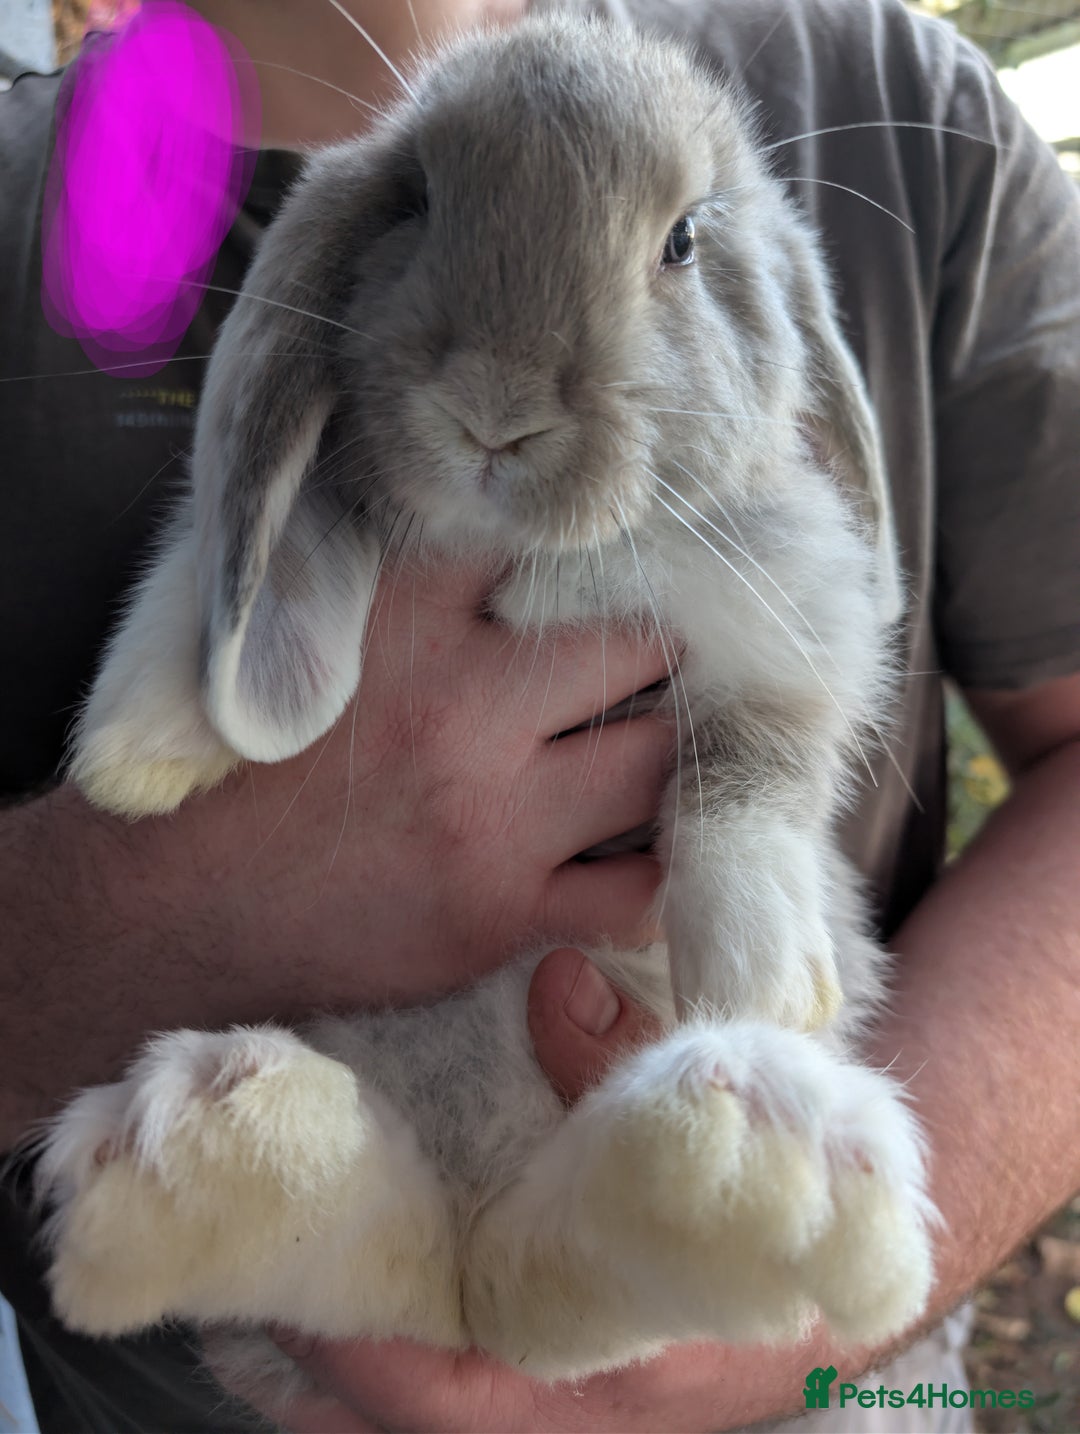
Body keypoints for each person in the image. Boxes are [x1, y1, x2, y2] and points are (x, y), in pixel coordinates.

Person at [1, 0, 1078, 1429]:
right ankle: (324, 1198)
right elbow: (227, 588)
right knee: (257, 1151)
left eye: (674, 251)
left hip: (825, 1377)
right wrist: (135, 908)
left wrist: (794, 1318)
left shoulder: (901, 105)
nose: (512, 401)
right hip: (220, 1364)